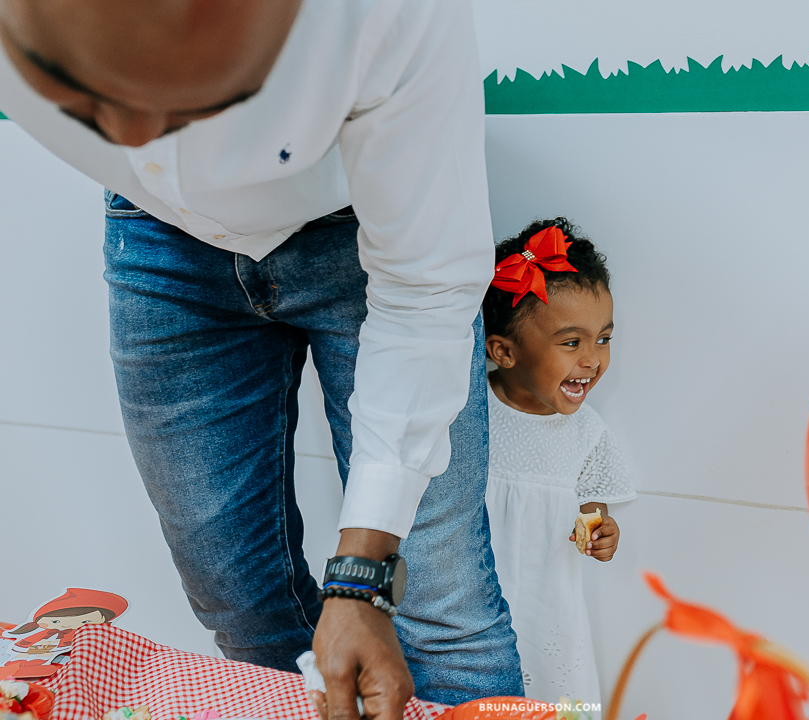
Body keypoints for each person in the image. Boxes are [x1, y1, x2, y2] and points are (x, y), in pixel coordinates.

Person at [0, 1, 523, 718]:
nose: (137, 138)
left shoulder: (389, 14)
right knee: (237, 599)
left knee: (441, 601)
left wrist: (361, 580)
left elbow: (426, 293)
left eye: (204, 108)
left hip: (361, 227)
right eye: (78, 97)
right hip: (156, 233)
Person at [481, 218, 636, 705]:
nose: (593, 360)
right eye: (572, 342)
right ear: (504, 351)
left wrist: (601, 531)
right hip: (470, 611)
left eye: (603, 339)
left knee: (552, 698)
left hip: (548, 614)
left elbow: (592, 511)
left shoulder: (588, 434)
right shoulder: (468, 414)